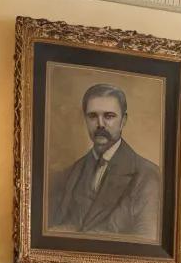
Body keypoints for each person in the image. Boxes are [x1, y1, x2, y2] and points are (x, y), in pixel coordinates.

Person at [48, 85, 160, 239]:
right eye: (92, 116)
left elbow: (147, 244)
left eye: (109, 116)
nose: (100, 124)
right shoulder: (69, 174)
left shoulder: (147, 175)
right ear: (85, 119)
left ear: (123, 121)